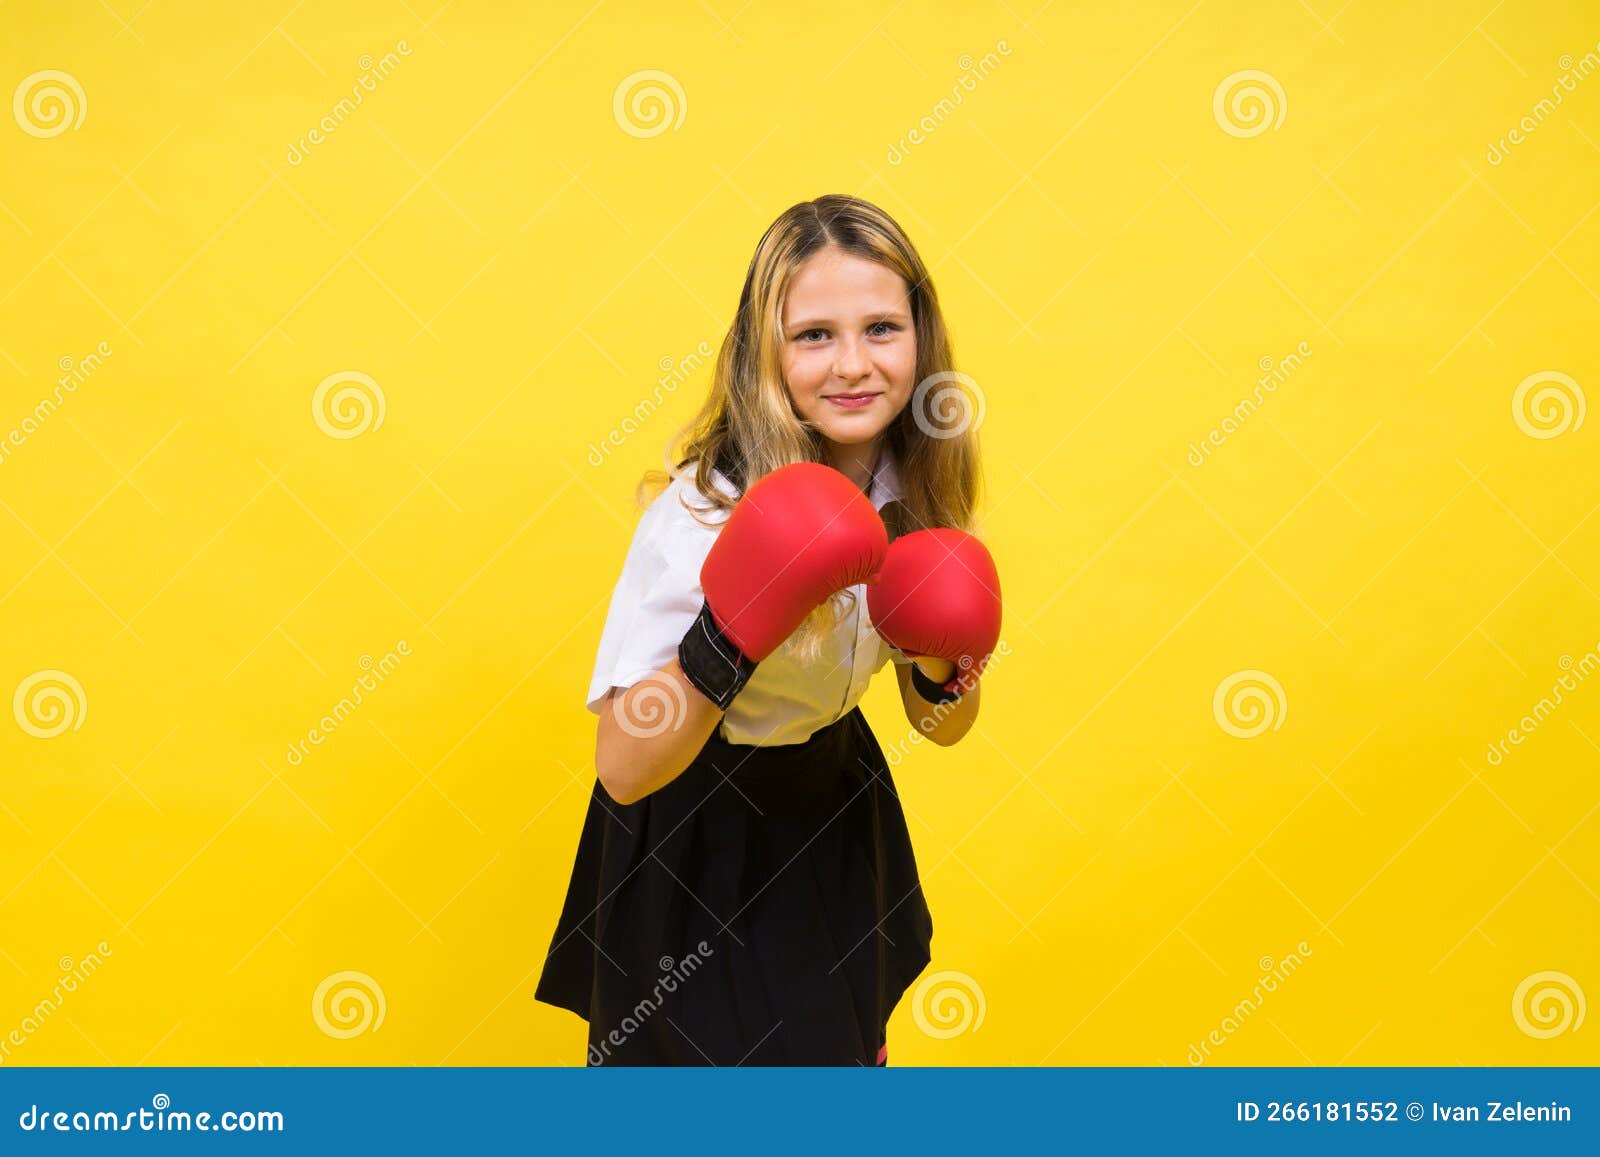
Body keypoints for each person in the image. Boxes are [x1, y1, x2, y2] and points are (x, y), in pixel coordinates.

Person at [534, 193, 1002, 1066]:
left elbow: (943, 725)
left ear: (921, 341)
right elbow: (623, 768)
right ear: (765, 352)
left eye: (881, 329)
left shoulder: (913, 489)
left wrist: (944, 645)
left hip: (833, 802)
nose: (853, 364)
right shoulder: (702, 513)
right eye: (814, 334)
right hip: (699, 824)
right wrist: (738, 621)